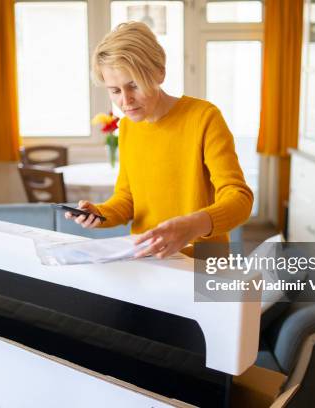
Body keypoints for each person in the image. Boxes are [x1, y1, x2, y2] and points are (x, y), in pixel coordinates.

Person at [65, 21, 253, 259]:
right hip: (147, 260)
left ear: (160, 72)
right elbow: (127, 200)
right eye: (115, 90)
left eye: (133, 85)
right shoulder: (127, 128)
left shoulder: (204, 117)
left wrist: (192, 226)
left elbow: (239, 199)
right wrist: (98, 213)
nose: (125, 101)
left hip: (201, 264)